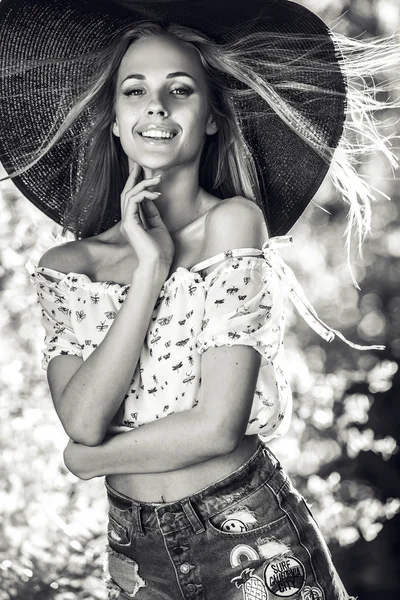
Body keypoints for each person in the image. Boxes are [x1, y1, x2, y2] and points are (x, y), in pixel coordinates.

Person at [1, 0, 398, 598]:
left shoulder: (234, 225)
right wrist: (150, 270)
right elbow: (81, 419)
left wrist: (91, 461)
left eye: (179, 89)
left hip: (247, 534)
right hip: (133, 553)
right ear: (113, 118)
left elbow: (216, 429)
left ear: (211, 116)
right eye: (134, 91)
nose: (155, 105)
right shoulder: (70, 267)